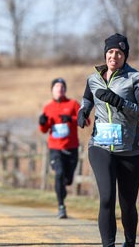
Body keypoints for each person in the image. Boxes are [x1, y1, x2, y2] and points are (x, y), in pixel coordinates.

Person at [77, 33, 139, 247]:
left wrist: (120, 102)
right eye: (111, 52)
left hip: (131, 150)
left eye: (119, 53)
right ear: (105, 54)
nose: (114, 56)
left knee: (128, 204)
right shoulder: (93, 79)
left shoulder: (135, 78)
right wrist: (82, 113)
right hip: (100, 146)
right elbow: (86, 101)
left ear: (125, 56)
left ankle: (129, 243)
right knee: (107, 198)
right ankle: (108, 245)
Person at [38, 77, 85, 219]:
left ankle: (63, 188)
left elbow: (86, 121)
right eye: (57, 87)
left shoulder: (73, 104)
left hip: (71, 148)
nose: (60, 89)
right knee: (59, 174)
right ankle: (61, 206)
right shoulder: (47, 107)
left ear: (65, 90)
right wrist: (42, 123)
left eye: (62, 87)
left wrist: (71, 119)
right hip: (55, 148)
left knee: (67, 179)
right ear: (52, 90)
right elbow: (44, 130)